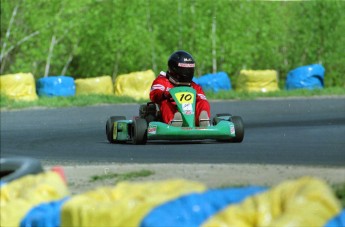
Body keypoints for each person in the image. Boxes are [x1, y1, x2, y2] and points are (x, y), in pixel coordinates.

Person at [150, 50, 211, 127]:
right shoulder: (162, 80)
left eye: (189, 70)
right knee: (165, 102)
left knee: (203, 102)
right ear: (174, 69)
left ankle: (202, 120)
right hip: (171, 111)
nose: (187, 73)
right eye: (184, 70)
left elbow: (202, 97)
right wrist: (166, 94)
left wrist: (196, 97)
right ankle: (174, 121)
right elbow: (154, 94)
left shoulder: (193, 85)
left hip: (190, 112)